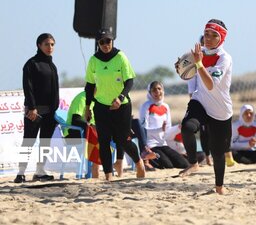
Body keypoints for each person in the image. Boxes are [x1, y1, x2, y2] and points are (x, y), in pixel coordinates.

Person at [175, 19, 233, 195]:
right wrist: (181, 68)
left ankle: (219, 187)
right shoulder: (198, 54)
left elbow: (210, 84)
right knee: (187, 127)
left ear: (221, 38)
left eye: (214, 35)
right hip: (200, 101)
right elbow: (188, 74)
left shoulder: (224, 58)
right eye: (206, 33)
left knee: (217, 153)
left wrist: (199, 64)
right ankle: (194, 164)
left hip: (220, 110)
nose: (208, 38)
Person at [84, 29, 145, 181]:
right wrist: (87, 107)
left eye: (108, 41)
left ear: (112, 41)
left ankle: (138, 162)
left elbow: (129, 81)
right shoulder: (94, 60)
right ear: (98, 43)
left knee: (122, 140)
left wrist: (120, 97)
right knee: (103, 141)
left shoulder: (120, 57)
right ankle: (108, 176)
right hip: (101, 106)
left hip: (122, 105)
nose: (105, 45)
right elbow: (90, 86)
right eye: (102, 42)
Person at [14, 33, 59, 183]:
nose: (50, 47)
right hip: (34, 111)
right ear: (39, 45)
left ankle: (40, 171)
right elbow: (28, 87)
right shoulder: (31, 64)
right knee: (29, 140)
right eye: (46, 44)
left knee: (45, 141)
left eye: (52, 44)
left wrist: (55, 110)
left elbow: (54, 89)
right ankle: (21, 172)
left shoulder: (51, 65)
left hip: (49, 112)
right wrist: (32, 108)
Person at [139, 81, 189, 169]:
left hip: (163, 144)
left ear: (163, 90)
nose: (157, 91)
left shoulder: (166, 106)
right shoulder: (145, 106)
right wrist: (160, 129)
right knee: (167, 165)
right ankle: (146, 159)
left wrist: (179, 127)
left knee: (184, 164)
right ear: (150, 93)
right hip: (151, 145)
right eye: (154, 90)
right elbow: (143, 129)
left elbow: (168, 129)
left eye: (159, 89)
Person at [187, 35, 212, 166]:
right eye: (202, 43)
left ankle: (220, 154)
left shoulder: (217, 59)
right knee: (204, 130)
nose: (205, 46)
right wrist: (192, 100)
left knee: (213, 129)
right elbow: (191, 82)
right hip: (200, 100)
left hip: (214, 100)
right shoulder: (194, 62)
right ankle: (207, 156)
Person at [64, 90, 100, 178]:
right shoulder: (82, 98)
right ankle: (95, 169)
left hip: (86, 133)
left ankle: (96, 167)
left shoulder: (97, 100)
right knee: (95, 135)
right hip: (72, 134)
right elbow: (75, 120)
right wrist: (91, 125)